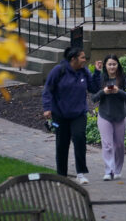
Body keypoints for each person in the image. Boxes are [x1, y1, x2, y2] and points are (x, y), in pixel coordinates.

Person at [41, 46, 100, 184]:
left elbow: (93, 88)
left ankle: (80, 174)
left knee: (79, 139)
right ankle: (61, 176)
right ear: (73, 59)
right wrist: (47, 108)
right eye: (82, 57)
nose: (85, 60)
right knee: (62, 144)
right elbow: (48, 90)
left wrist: (97, 72)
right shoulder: (58, 71)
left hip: (79, 113)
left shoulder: (84, 71)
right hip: (60, 114)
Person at [91, 54, 126, 181]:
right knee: (107, 145)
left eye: (114, 64)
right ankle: (109, 171)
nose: (112, 67)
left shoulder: (123, 78)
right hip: (104, 115)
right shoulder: (101, 79)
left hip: (120, 115)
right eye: (109, 64)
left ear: (118, 65)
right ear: (105, 66)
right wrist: (104, 92)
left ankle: (117, 170)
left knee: (119, 145)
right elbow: (94, 98)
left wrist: (119, 91)